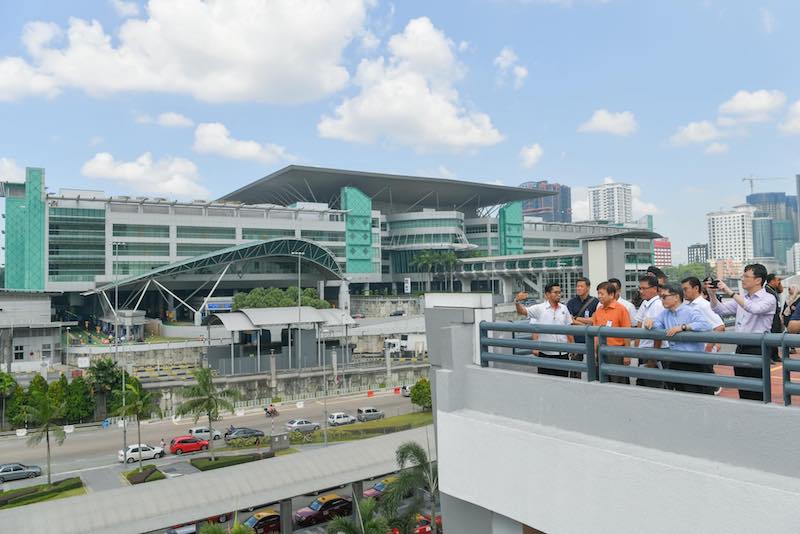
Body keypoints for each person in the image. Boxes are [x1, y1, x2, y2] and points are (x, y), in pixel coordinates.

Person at [706, 263, 776, 401]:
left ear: (758, 280)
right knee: (743, 390)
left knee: (757, 391)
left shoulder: (769, 298)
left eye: (746, 276)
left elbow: (754, 309)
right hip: (741, 348)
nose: (742, 279)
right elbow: (720, 309)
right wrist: (712, 295)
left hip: (757, 348)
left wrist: (730, 292)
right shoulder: (744, 298)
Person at [645, 282, 714, 394]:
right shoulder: (665, 314)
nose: (662, 300)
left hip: (693, 362)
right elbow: (657, 324)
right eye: (660, 297)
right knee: (678, 395)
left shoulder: (690, 311)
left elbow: (706, 325)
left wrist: (683, 327)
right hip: (676, 360)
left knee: (695, 395)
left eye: (664, 297)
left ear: (676, 297)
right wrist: (650, 322)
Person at [515, 283, 574, 377]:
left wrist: (573, 346)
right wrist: (517, 301)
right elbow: (522, 311)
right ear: (547, 294)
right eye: (556, 292)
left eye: (560, 292)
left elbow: (568, 328)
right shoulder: (540, 308)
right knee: (546, 383)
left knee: (563, 382)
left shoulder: (564, 308)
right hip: (546, 353)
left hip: (563, 353)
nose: (559, 294)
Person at [592, 281, 631, 383]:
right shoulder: (598, 310)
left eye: (602, 294)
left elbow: (627, 333)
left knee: (617, 381)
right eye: (598, 294)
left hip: (616, 352)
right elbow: (595, 333)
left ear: (611, 294)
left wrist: (627, 355)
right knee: (601, 380)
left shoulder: (621, 309)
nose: (599, 296)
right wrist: (594, 351)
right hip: (601, 351)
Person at [634, 274, 666, 388]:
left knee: (653, 386)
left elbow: (658, 333)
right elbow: (639, 324)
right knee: (643, 385)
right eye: (640, 288)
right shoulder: (646, 302)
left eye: (644, 288)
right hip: (645, 350)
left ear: (654, 289)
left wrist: (654, 357)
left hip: (654, 352)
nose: (641, 291)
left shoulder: (658, 305)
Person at [682, 276, 725, 353]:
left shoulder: (704, 305)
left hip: (703, 352)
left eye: (686, 289)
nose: (684, 292)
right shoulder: (687, 305)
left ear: (696, 288)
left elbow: (720, 327)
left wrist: (708, 348)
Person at [566, 277, 599, 377]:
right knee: (575, 368)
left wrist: (578, 319)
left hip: (591, 340)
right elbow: (570, 320)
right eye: (577, 286)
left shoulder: (595, 302)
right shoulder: (571, 302)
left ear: (588, 288)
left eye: (581, 286)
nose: (578, 288)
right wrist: (585, 324)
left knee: (593, 366)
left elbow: (594, 320)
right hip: (576, 339)